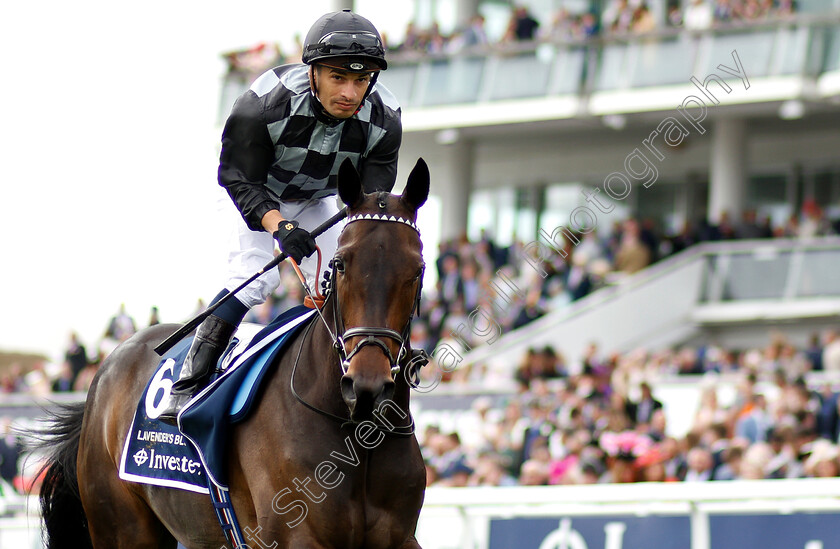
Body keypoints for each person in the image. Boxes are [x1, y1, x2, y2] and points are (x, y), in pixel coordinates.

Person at [160, 10, 402, 423]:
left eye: (361, 80)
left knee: (352, 274)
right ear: (313, 73)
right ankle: (188, 382)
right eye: (338, 78)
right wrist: (279, 226)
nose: (350, 92)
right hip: (253, 193)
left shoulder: (385, 117)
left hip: (317, 199)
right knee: (257, 278)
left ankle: (357, 378)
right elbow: (237, 178)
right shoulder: (264, 102)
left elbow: (369, 202)